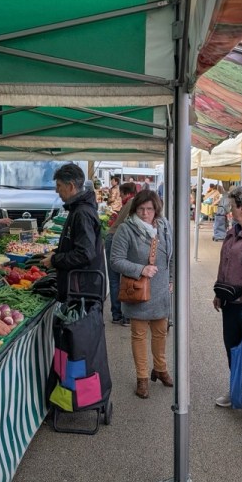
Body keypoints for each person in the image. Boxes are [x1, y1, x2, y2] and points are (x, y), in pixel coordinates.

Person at [110, 190, 174, 399]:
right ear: (134, 209)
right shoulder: (126, 230)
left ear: (156, 209)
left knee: (160, 332)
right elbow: (116, 260)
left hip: (162, 288)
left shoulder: (164, 226)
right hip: (138, 290)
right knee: (139, 335)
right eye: (141, 209)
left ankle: (160, 368)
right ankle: (142, 378)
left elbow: (172, 255)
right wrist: (141, 269)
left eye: (150, 209)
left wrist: (172, 278)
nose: (145, 213)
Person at [212, 185, 242, 407]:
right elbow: (225, 262)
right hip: (229, 301)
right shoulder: (233, 232)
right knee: (232, 347)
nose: (229, 210)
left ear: (241, 207)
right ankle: (236, 391)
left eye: (232, 206)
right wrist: (219, 291)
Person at [40, 164, 106, 303]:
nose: (56, 191)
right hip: (81, 285)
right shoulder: (78, 209)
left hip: (81, 288)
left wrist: (55, 260)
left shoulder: (82, 213)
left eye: (59, 186)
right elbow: (76, 244)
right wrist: (57, 252)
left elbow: (84, 254)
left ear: (70, 186)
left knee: (78, 323)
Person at [105, 182, 138, 325]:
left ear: (126, 193)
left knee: (114, 279)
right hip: (119, 239)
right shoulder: (134, 203)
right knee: (126, 278)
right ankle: (125, 316)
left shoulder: (130, 203)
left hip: (111, 237)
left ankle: (116, 315)